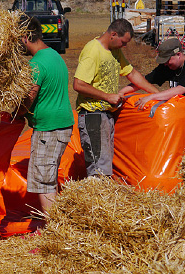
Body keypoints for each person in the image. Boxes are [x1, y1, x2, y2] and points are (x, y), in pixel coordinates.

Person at [73, 18, 159, 177]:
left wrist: (157, 95)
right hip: (93, 115)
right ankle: (97, 198)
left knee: (105, 163)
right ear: (113, 34)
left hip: (106, 115)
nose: (125, 46)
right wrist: (107, 97)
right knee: (99, 167)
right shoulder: (93, 51)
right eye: (123, 42)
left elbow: (132, 74)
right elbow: (78, 84)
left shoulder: (115, 51)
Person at [15, 17, 74, 215]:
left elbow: (30, 97)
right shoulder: (55, 55)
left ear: (25, 37)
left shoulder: (36, 65)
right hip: (61, 125)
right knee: (48, 176)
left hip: (49, 129)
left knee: (43, 181)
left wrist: (17, 112)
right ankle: (51, 224)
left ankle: (52, 230)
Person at [120, 38, 185, 137]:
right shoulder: (167, 67)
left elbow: (180, 89)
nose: (165, 64)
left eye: (167, 60)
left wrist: (152, 97)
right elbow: (143, 81)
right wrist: (122, 92)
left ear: (178, 54)